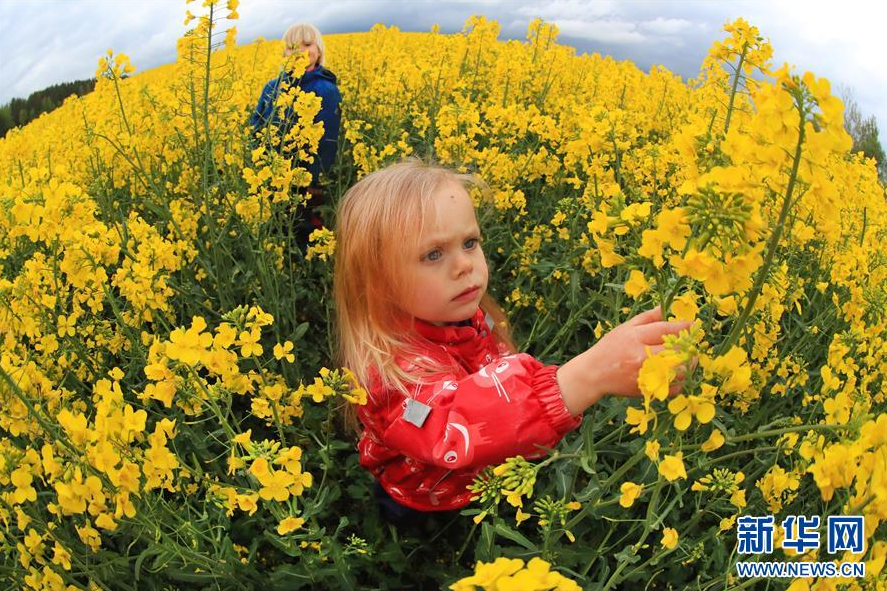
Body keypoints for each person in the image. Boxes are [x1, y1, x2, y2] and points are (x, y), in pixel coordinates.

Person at [333, 159, 692, 524]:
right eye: (433, 254)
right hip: (424, 496)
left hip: (482, 479)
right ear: (379, 282)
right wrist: (582, 378)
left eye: (470, 243)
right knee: (420, 539)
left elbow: (492, 372)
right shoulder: (388, 371)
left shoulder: (467, 315)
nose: (464, 265)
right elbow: (453, 427)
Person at [249, 23, 342, 247]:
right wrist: (258, 162)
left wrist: (315, 182)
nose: (300, 50)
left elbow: (328, 142)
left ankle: (304, 270)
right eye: (292, 46)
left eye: (308, 44)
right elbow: (256, 124)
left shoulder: (326, 90)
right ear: (284, 53)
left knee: (303, 230)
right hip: (270, 174)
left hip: (305, 180)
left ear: (319, 51)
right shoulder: (272, 87)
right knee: (275, 230)